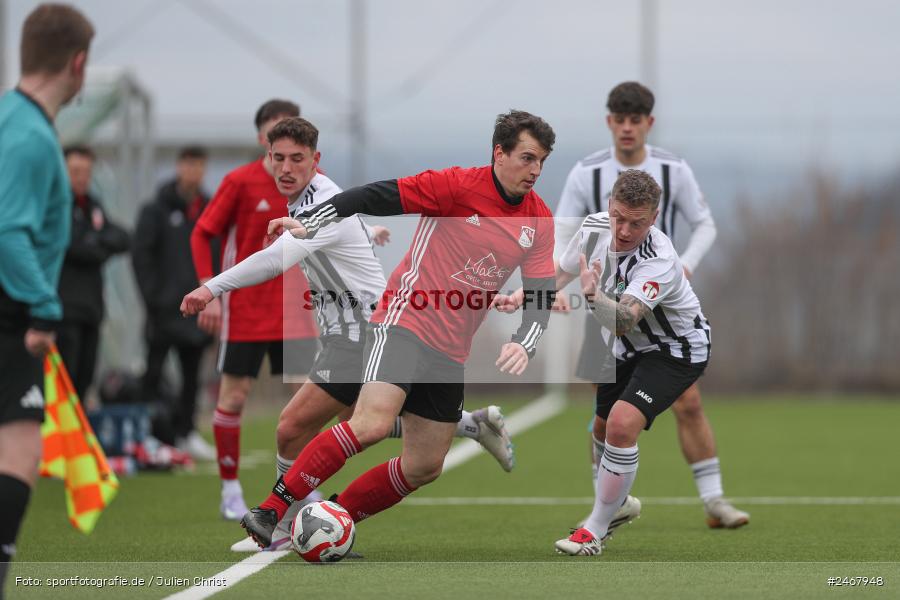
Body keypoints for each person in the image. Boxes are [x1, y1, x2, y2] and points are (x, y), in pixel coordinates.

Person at [182, 117, 518, 551]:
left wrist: (211, 287)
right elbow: (340, 232)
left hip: (364, 334)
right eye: (278, 158)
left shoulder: (321, 202)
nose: (286, 168)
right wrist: (368, 232)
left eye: (297, 159)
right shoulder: (313, 202)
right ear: (268, 158)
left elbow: (275, 260)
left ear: (315, 160)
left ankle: (278, 522)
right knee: (360, 423)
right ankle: (470, 424)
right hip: (363, 331)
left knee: (293, 427)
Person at [553, 81, 747, 528]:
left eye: (635, 120)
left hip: (656, 299)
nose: (627, 128)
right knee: (604, 419)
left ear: (648, 123)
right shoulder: (587, 173)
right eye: (619, 119)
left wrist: (685, 265)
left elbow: (704, 224)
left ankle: (714, 501)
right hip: (605, 301)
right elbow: (566, 234)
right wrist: (552, 290)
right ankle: (606, 507)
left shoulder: (673, 170)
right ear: (609, 122)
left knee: (687, 402)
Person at [553, 169, 713, 556]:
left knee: (622, 424)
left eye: (636, 223)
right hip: (627, 346)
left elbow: (624, 319)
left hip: (676, 350)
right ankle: (616, 505)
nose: (624, 230)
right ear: (609, 205)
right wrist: (523, 297)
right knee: (601, 426)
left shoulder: (660, 260)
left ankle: (594, 529)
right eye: (618, 217)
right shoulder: (594, 228)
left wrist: (593, 297)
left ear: (654, 218)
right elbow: (561, 274)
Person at [189, 100, 320, 520]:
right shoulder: (239, 182)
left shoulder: (313, 186)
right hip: (245, 310)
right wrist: (209, 289)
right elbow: (202, 233)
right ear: (263, 139)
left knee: (307, 399)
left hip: (295, 312)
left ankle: (303, 485)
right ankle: (230, 489)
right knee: (234, 396)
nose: (285, 154)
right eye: (276, 134)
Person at [0, 3, 94, 591]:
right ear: (78, 63)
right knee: (19, 450)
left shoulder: (11, 118)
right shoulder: (32, 135)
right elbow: (8, 231)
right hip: (12, 310)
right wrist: (43, 306)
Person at [132, 146, 218, 457]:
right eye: (189, 164)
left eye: (199, 165)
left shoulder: (210, 210)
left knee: (191, 376)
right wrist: (154, 298)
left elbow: (218, 255)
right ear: (179, 167)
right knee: (153, 373)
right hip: (163, 310)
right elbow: (141, 257)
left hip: (198, 308)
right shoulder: (155, 210)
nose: (193, 171)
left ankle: (186, 432)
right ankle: (144, 433)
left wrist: (214, 294)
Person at [57, 144, 130, 401]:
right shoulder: (56, 206)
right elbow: (73, 246)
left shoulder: (93, 206)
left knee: (84, 380)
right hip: (64, 310)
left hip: (92, 309)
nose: (81, 178)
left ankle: (79, 428)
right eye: (75, 171)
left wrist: (95, 241)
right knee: (64, 384)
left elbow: (122, 237)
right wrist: (98, 243)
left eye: (87, 172)